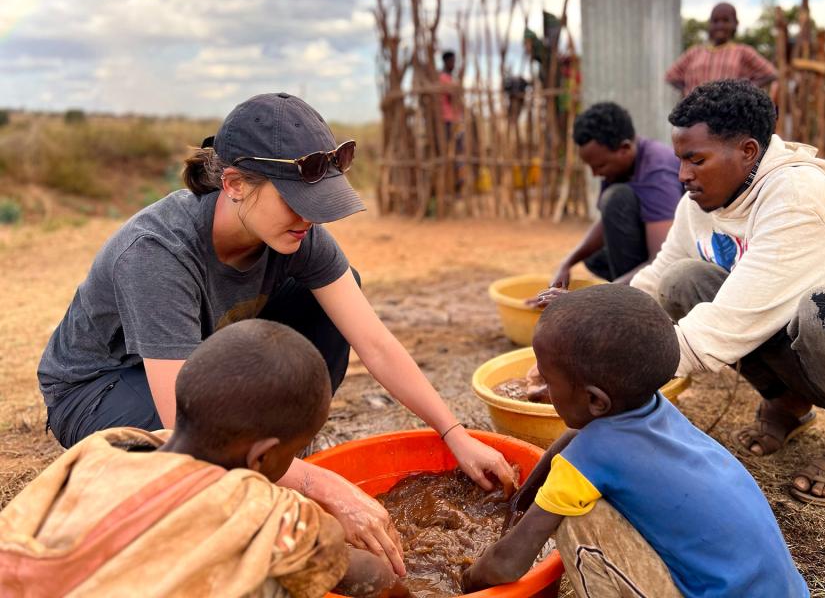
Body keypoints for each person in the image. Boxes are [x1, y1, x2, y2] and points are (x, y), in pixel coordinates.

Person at [36, 92, 514, 574]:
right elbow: (186, 423)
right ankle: (255, 477)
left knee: (332, 301)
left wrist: (454, 433)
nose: (309, 218)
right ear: (235, 184)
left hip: (203, 366)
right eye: (296, 203)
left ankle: (279, 453)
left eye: (318, 203)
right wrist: (324, 486)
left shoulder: (296, 234)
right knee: (203, 474)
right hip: (103, 388)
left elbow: (376, 343)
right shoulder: (157, 253)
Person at [627, 79, 825, 506]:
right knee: (683, 280)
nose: (683, 175)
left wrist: (618, 374)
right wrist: (597, 331)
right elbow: (656, 280)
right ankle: (789, 403)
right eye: (680, 160)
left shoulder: (797, 200)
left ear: (747, 152)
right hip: (813, 358)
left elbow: (722, 328)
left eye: (696, 159)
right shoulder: (699, 204)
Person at [2, 320, 406, 597]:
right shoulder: (266, 509)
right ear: (263, 457)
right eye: (294, 452)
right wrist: (399, 584)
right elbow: (369, 577)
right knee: (287, 574)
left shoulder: (106, 448)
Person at [462, 284, 809, 598]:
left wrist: (462, 581)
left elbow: (505, 567)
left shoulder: (588, 460)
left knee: (577, 521)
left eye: (549, 382)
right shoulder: (655, 411)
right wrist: (518, 503)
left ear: (597, 401)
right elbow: (572, 441)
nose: (540, 390)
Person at [549, 102, 682, 288]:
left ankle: (633, 300)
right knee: (592, 256)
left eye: (600, 166)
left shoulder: (657, 172)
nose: (595, 174)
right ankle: (626, 288)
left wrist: (603, 296)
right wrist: (568, 262)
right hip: (650, 254)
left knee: (616, 198)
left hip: (676, 261)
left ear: (625, 148)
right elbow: (606, 224)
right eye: (592, 167)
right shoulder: (617, 166)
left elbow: (663, 261)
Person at [666, 2, 777, 98]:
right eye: (715, 21)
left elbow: (770, 74)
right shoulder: (695, 52)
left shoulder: (743, 52)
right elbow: (671, 75)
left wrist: (743, 91)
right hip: (696, 116)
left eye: (726, 20)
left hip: (729, 116)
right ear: (709, 24)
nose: (720, 25)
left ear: (735, 24)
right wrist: (687, 92)